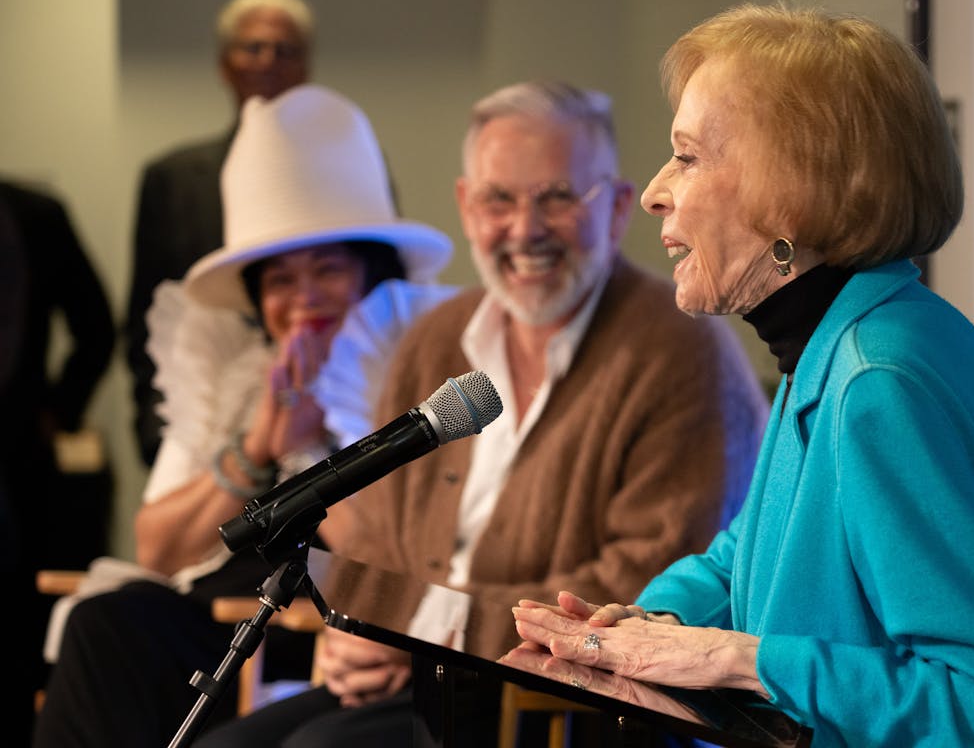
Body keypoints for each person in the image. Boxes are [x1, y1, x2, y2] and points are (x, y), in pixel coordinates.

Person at [505, 4, 974, 747]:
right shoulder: (842, 339)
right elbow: (751, 562)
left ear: (792, 191)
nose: (655, 191)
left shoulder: (880, 383)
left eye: (689, 156)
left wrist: (738, 659)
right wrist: (646, 622)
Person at [194, 80, 769, 747]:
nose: (524, 230)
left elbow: (643, 588)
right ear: (467, 208)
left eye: (556, 197)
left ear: (615, 209)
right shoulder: (435, 339)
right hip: (424, 675)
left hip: (562, 701)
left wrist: (419, 634)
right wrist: (353, 635)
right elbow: (378, 536)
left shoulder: (680, 350)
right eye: (500, 199)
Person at [32, 84, 456, 748]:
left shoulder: (421, 368)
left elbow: (396, 563)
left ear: (371, 273)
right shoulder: (234, 372)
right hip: (225, 621)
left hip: (327, 631)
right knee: (105, 622)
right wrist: (262, 439)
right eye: (281, 281)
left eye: (328, 270)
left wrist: (325, 433)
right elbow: (157, 548)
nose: (304, 300)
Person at [125, 0, 314, 466]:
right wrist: (153, 421)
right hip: (198, 417)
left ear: (305, 69)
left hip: (319, 417)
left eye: (286, 50)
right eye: (253, 47)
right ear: (225, 64)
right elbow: (144, 306)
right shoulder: (172, 178)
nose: (269, 60)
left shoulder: (341, 174)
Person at [0, 179, 115, 745]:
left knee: (18, 625)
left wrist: (58, 411)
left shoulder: (34, 214)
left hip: (15, 455)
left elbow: (95, 326)